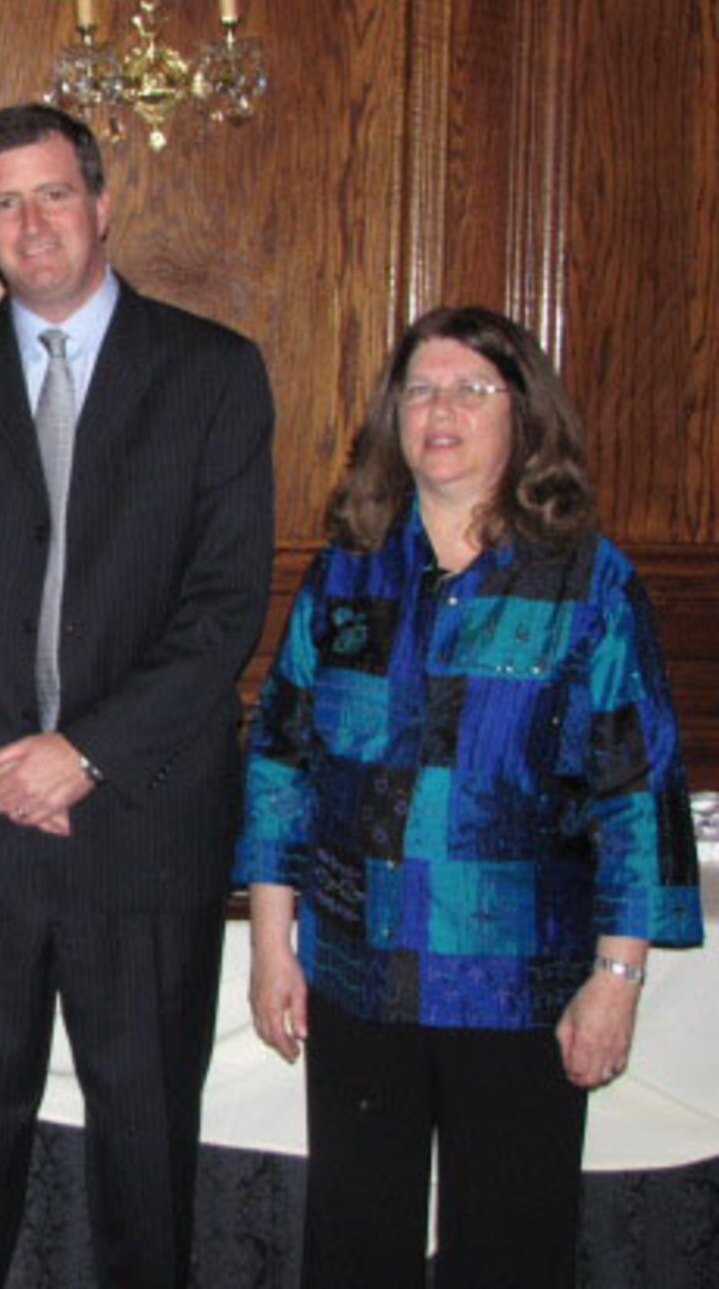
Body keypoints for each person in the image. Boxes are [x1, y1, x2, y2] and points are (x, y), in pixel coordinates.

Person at [0, 102, 275, 1287]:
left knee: (145, 1165)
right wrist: (6, 753)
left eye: (52, 193)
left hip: (142, 823)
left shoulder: (210, 372)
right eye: (3, 202)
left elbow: (222, 610)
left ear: (100, 205)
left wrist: (83, 752)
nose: (30, 222)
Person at [235, 305, 702, 1287]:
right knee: (354, 1251)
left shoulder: (586, 583)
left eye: (467, 389)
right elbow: (281, 759)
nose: (437, 410)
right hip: (359, 974)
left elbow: (633, 792)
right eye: (418, 390)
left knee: (509, 1254)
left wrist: (613, 983)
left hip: (519, 986)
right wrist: (272, 946)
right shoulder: (348, 571)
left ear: (521, 416)